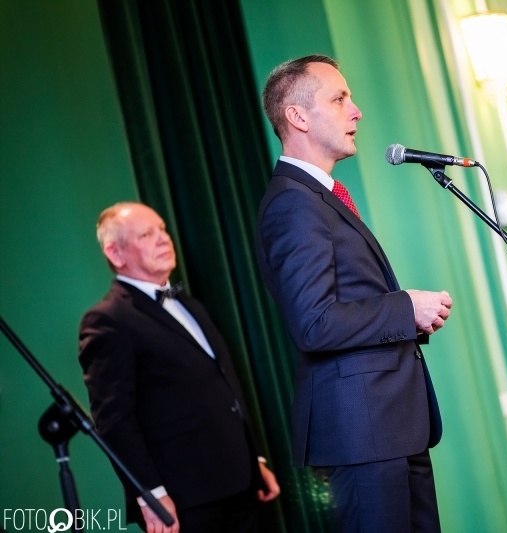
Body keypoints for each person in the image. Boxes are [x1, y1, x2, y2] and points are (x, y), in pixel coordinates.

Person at [256, 55, 452, 532]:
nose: (357, 110)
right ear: (298, 117)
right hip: (361, 437)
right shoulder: (293, 204)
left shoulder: (319, 197)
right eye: (339, 98)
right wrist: (405, 306)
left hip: (392, 429)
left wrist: (408, 315)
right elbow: (314, 323)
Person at [78, 202, 280, 533]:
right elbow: (114, 419)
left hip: (241, 482)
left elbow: (224, 384)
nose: (164, 239)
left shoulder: (189, 304)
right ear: (115, 253)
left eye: (163, 229)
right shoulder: (107, 320)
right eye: (147, 234)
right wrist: (151, 495)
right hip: (185, 499)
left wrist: (254, 459)